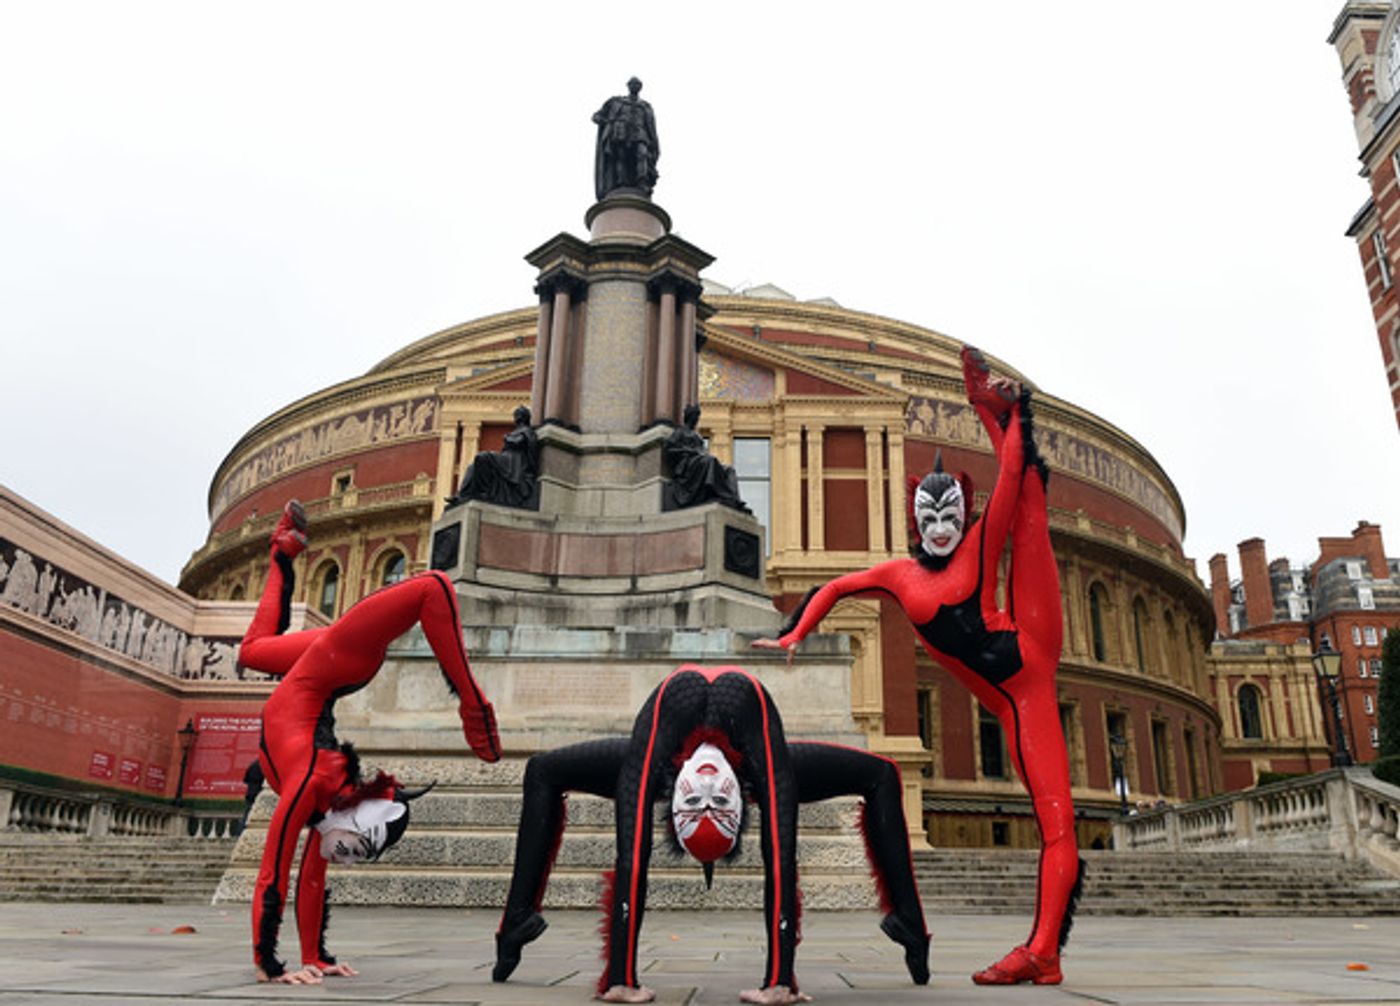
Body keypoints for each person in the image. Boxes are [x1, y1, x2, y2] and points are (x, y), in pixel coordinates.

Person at [753, 346, 1084, 987]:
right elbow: (837, 586)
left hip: (1027, 667)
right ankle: (1044, 955)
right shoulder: (899, 576)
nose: (939, 527)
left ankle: (1044, 950)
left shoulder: (977, 550)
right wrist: (795, 632)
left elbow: (1009, 477)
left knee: (1029, 507)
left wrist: (1005, 412)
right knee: (1025, 503)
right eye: (928, 517)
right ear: (913, 518)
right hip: (1008, 687)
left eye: (950, 515)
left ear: (964, 515)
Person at [493, 663, 930, 1005]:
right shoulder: (755, 740)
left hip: (684, 748)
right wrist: (780, 981)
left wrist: (620, 979)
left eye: (698, 803)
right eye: (717, 803)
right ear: (740, 803)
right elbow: (779, 854)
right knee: (882, 774)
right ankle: (910, 921)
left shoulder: (657, 755)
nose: (705, 785)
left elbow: (633, 855)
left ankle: (515, 919)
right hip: (743, 746)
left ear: (673, 801)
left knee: (544, 771)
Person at [238, 500, 501, 984]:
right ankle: (473, 704)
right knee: (433, 587)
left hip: (318, 676)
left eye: (359, 855)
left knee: (253, 651)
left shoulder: (322, 809)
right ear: (353, 818)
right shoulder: (309, 782)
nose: (348, 858)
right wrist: (268, 965)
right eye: (359, 848)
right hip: (338, 662)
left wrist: (316, 958)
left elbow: (310, 879)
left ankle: (282, 550)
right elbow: (271, 871)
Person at [446, 405, 539, 509]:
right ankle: (462, 495)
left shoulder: (528, 431)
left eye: (518, 414)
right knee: (472, 467)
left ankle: (483, 491)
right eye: (516, 414)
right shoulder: (518, 431)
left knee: (482, 457)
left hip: (514, 463)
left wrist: (508, 438)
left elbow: (521, 443)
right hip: (506, 459)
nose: (516, 417)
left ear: (524, 417)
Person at [592, 77, 660, 200]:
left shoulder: (645, 106)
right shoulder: (617, 102)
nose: (635, 86)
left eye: (637, 84)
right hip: (620, 132)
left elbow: (651, 126)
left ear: (640, 87)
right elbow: (597, 116)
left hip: (639, 132)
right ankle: (621, 181)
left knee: (642, 154)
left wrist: (654, 144)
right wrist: (609, 123)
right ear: (628, 86)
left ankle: (642, 182)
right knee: (621, 157)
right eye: (633, 84)